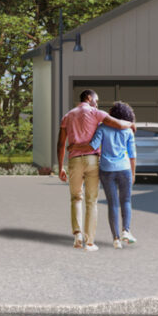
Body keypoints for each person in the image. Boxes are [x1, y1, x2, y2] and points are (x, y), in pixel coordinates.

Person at [57, 86, 108, 249]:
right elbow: (110, 131)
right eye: (96, 100)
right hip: (93, 160)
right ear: (88, 98)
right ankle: (90, 241)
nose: (97, 104)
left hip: (75, 161)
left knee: (75, 198)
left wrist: (60, 168)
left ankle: (77, 236)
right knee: (91, 201)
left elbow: (61, 144)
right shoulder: (96, 114)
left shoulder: (68, 116)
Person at [94, 97, 142, 248]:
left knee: (113, 204)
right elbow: (132, 154)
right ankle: (126, 231)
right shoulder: (128, 131)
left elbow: (93, 146)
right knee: (126, 201)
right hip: (124, 169)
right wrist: (133, 174)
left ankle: (115, 239)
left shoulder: (102, 128)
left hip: (107, 169)